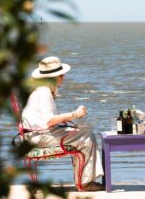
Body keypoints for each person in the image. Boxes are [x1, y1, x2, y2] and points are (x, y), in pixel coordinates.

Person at [22, 56, 105, 191]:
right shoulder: (44, 91)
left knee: (82, 132)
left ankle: (84, 181)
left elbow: (44, 119)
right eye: (61, 74)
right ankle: (85, 183)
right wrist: (75, 114)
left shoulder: (39, 89)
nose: (64, 76)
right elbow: (49, 121)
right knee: (87, 135)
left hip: (32, 137)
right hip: (39, 138)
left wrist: (65, 120)